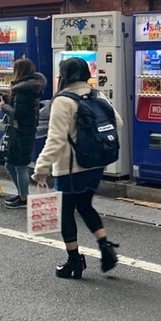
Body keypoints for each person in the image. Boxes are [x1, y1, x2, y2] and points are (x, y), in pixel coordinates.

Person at [32, 57, 122, 279]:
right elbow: (117, 122)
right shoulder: (96, 94)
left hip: (71, 167)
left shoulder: (63, 100)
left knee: (64, 212)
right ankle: (105, 247)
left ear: (63, 75)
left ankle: (74, 262)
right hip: (95, 163)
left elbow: (55, 140)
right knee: (84, 205)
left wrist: (41, 167)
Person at [0, 58, 46, 209]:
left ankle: (23, 198)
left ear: (19, 71)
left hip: (21, 131)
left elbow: (18, 114)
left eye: (14, 68)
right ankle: (21, 195)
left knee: (19, 165)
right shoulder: (29, 87)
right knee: (11, 164)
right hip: (24, 130)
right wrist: (8, 100)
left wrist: (4, 106)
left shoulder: (22, 89)